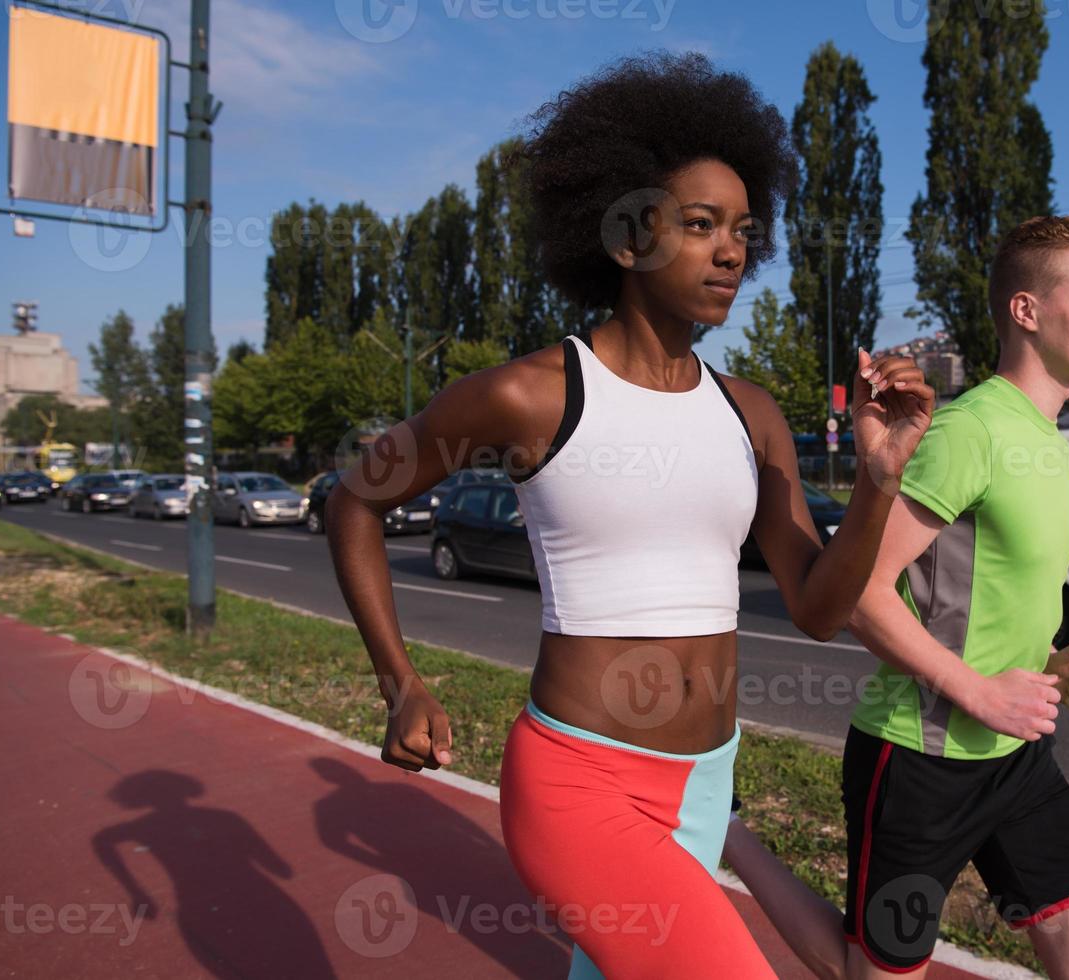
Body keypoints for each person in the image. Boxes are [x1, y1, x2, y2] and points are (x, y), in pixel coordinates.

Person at [323, 51, 934, 979]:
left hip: (706, 779)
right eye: (698, 225)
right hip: (580, 783)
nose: (731, 250)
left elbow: (814, 609)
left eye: (741, 230)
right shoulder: (531, 396)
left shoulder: (751, 411)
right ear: (622, 239)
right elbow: (354, 498)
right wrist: (399, 680)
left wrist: (879, 480)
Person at [723, 215, 1069, 979]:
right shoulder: (967, 432)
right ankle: (730, 836)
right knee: (867, 971)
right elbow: (858, 594)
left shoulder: (1045, 436)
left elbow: (974, 596)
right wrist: (977, 689)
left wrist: (1048, 662)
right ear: (1027, 310)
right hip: (919, 758)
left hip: (1016, 757)